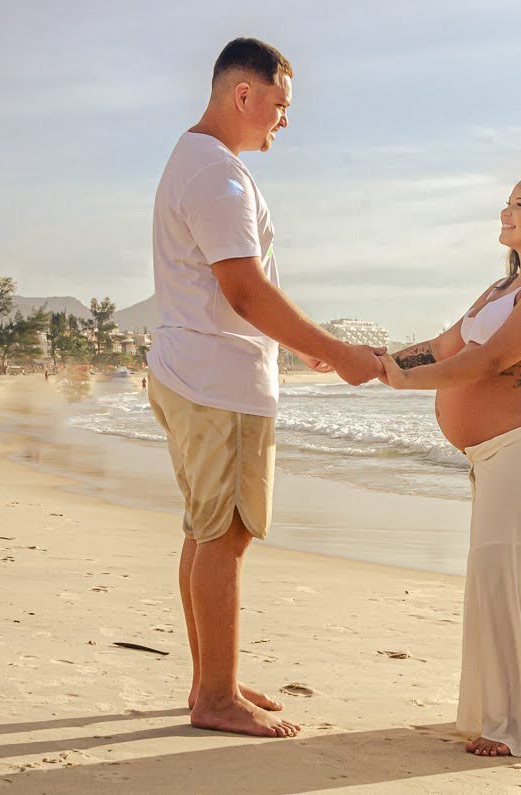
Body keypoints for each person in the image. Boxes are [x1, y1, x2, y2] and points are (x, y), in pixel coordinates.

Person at [146, 37, 384, 738]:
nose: (285, 120)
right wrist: (336, 351)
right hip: (219, 379)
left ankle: (208, 678)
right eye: (280, 105)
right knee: (225, 533)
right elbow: (245, 291)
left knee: (206, 528)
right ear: (243, 95)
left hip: (197, 371)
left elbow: (243, 292)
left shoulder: (196, 162)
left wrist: (301, 345)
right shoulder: (216, 176)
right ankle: (215, 696)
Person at [379, 169, 521, 758]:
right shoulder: (496, 291)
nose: (505, 212)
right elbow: (447, 345)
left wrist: (406, 382)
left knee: (506, 577)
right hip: (494, 457)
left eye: (520, 203)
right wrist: (374, 360)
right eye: (506, 202)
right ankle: (500, 714)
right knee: (496, 578)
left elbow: (488, 361)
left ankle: (512, 725)